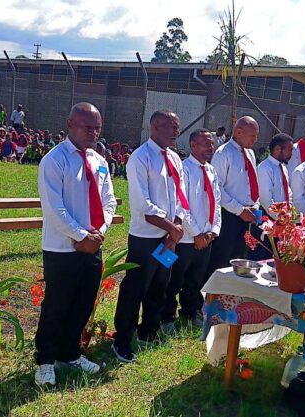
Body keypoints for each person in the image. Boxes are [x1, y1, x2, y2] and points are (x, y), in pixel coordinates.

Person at [34, 103, 117, 386]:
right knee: (56, 305)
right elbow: (54, 208)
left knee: (83, 304)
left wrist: (99, 233)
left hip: (94, 245)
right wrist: (80, 236)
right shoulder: (54, 160)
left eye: (97, 128)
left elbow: (109, 202)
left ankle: (69, 354)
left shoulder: (100, 161)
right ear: (70, 123)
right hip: (62, 248)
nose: (93, 133)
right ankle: (45, 360)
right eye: (87, 126)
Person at [112, 109, 187, 363]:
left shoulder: (175, 159)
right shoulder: (140, 158)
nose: (176, 131)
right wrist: (171, 229)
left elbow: (181, 199)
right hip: (145, 238)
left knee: (160, 284)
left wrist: (174, 232)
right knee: (136, 287)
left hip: (168, 238)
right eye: (171, 126)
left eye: (177, 127)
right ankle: (123, 339)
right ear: (155, 126)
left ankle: (149, 331)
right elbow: (143, 206)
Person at [162, 129, 221, 331]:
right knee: (174, 279)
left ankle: (190, 311)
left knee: (196, 279)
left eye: (212, 144)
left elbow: (217, 203)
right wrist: (195, 233)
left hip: (206, 237)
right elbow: (182, 204)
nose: (210, 148)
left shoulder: (211, 171)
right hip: (186, 237)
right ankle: (166, 316)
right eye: (206, 144)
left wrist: (213, 231)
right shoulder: (184, 169)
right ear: (193, 145)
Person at [206, 116, 262, 273]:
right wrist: (240, 210)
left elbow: (252, 183)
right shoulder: (223, 153)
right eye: (252, 135)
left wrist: (254, 205)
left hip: (247, 214)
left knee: (238, 258)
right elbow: (218, 189)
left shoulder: (250, 154)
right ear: (239, 132)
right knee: (221, 258)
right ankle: (212, 294)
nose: (255, 140)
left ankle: (231, 294)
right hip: (229, 215)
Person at [257, 133, 294, 216]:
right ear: (278, 149)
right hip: (266, 217)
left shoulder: (283, 168)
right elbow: (265, 199)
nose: (291, 154)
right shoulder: (265, 168)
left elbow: (288, 193)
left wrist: (288, 213)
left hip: (283, 217)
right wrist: (279, 217)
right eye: (289, 151)